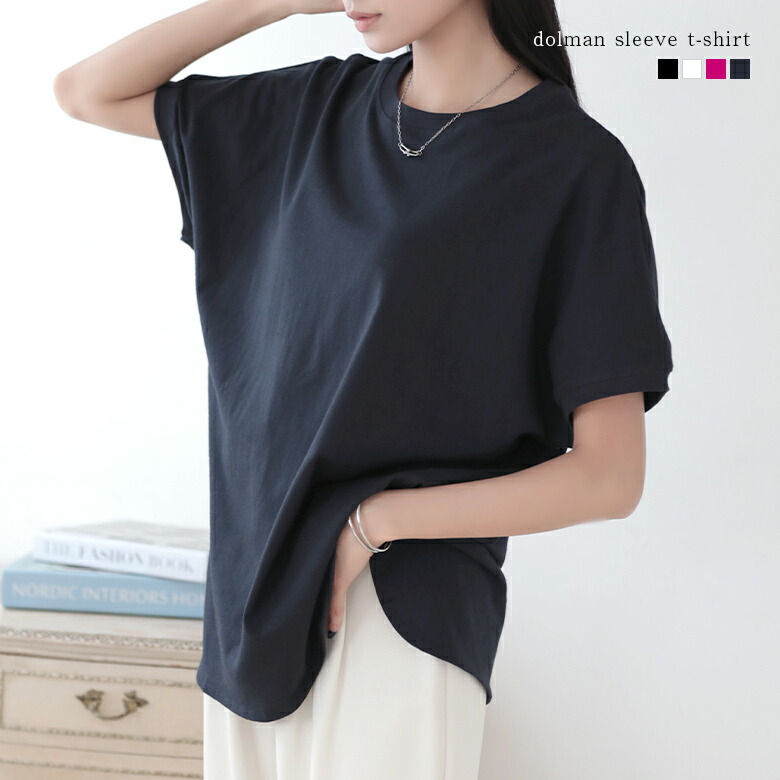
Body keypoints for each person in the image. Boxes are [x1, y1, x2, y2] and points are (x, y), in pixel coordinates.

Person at [53, 0, 674, 777]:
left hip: (399, 608)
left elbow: (610, 477)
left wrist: (376, 522)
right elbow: (86, 91)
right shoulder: (309, 110)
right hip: (250, 603)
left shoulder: (574, 166)